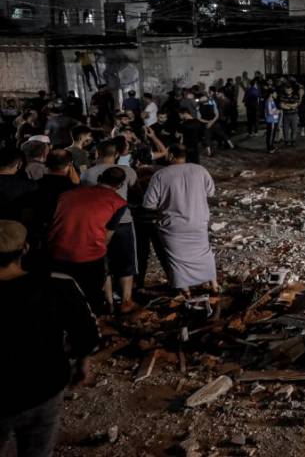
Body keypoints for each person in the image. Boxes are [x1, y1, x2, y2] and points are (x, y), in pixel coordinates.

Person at [0, 220, 99, 457]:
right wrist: (83, 363)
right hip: (43, 386)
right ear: (25, 248)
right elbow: (86, 333)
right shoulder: (57, 285)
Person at [47, 166, 129, 310]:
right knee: (89, 299)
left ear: (99, 179)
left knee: (58, 299)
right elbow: (106, 237)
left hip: (56, 250)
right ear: (120, 185)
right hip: (89, 256)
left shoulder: (67, 194)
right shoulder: (118, 203)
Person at [143, 145, 218, 296]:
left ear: (170, 156)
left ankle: (186, 291)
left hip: (173, 226)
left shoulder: (160, 175)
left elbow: (148, 204)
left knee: (177, 260)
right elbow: (210, 192)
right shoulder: (200, 170)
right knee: (204, 252)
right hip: (198, 220)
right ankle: (214, 285)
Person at [264, 89, 280, 154]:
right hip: (271, 121)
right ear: (271, 94)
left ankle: (272, 146)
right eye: (275, 93)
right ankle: (270, 148)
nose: (276, 95)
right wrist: (277, 111)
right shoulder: (269, 101)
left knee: (272, 134)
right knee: (270, 135)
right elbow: (269, 112)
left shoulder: (272, 101)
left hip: (273, 120)